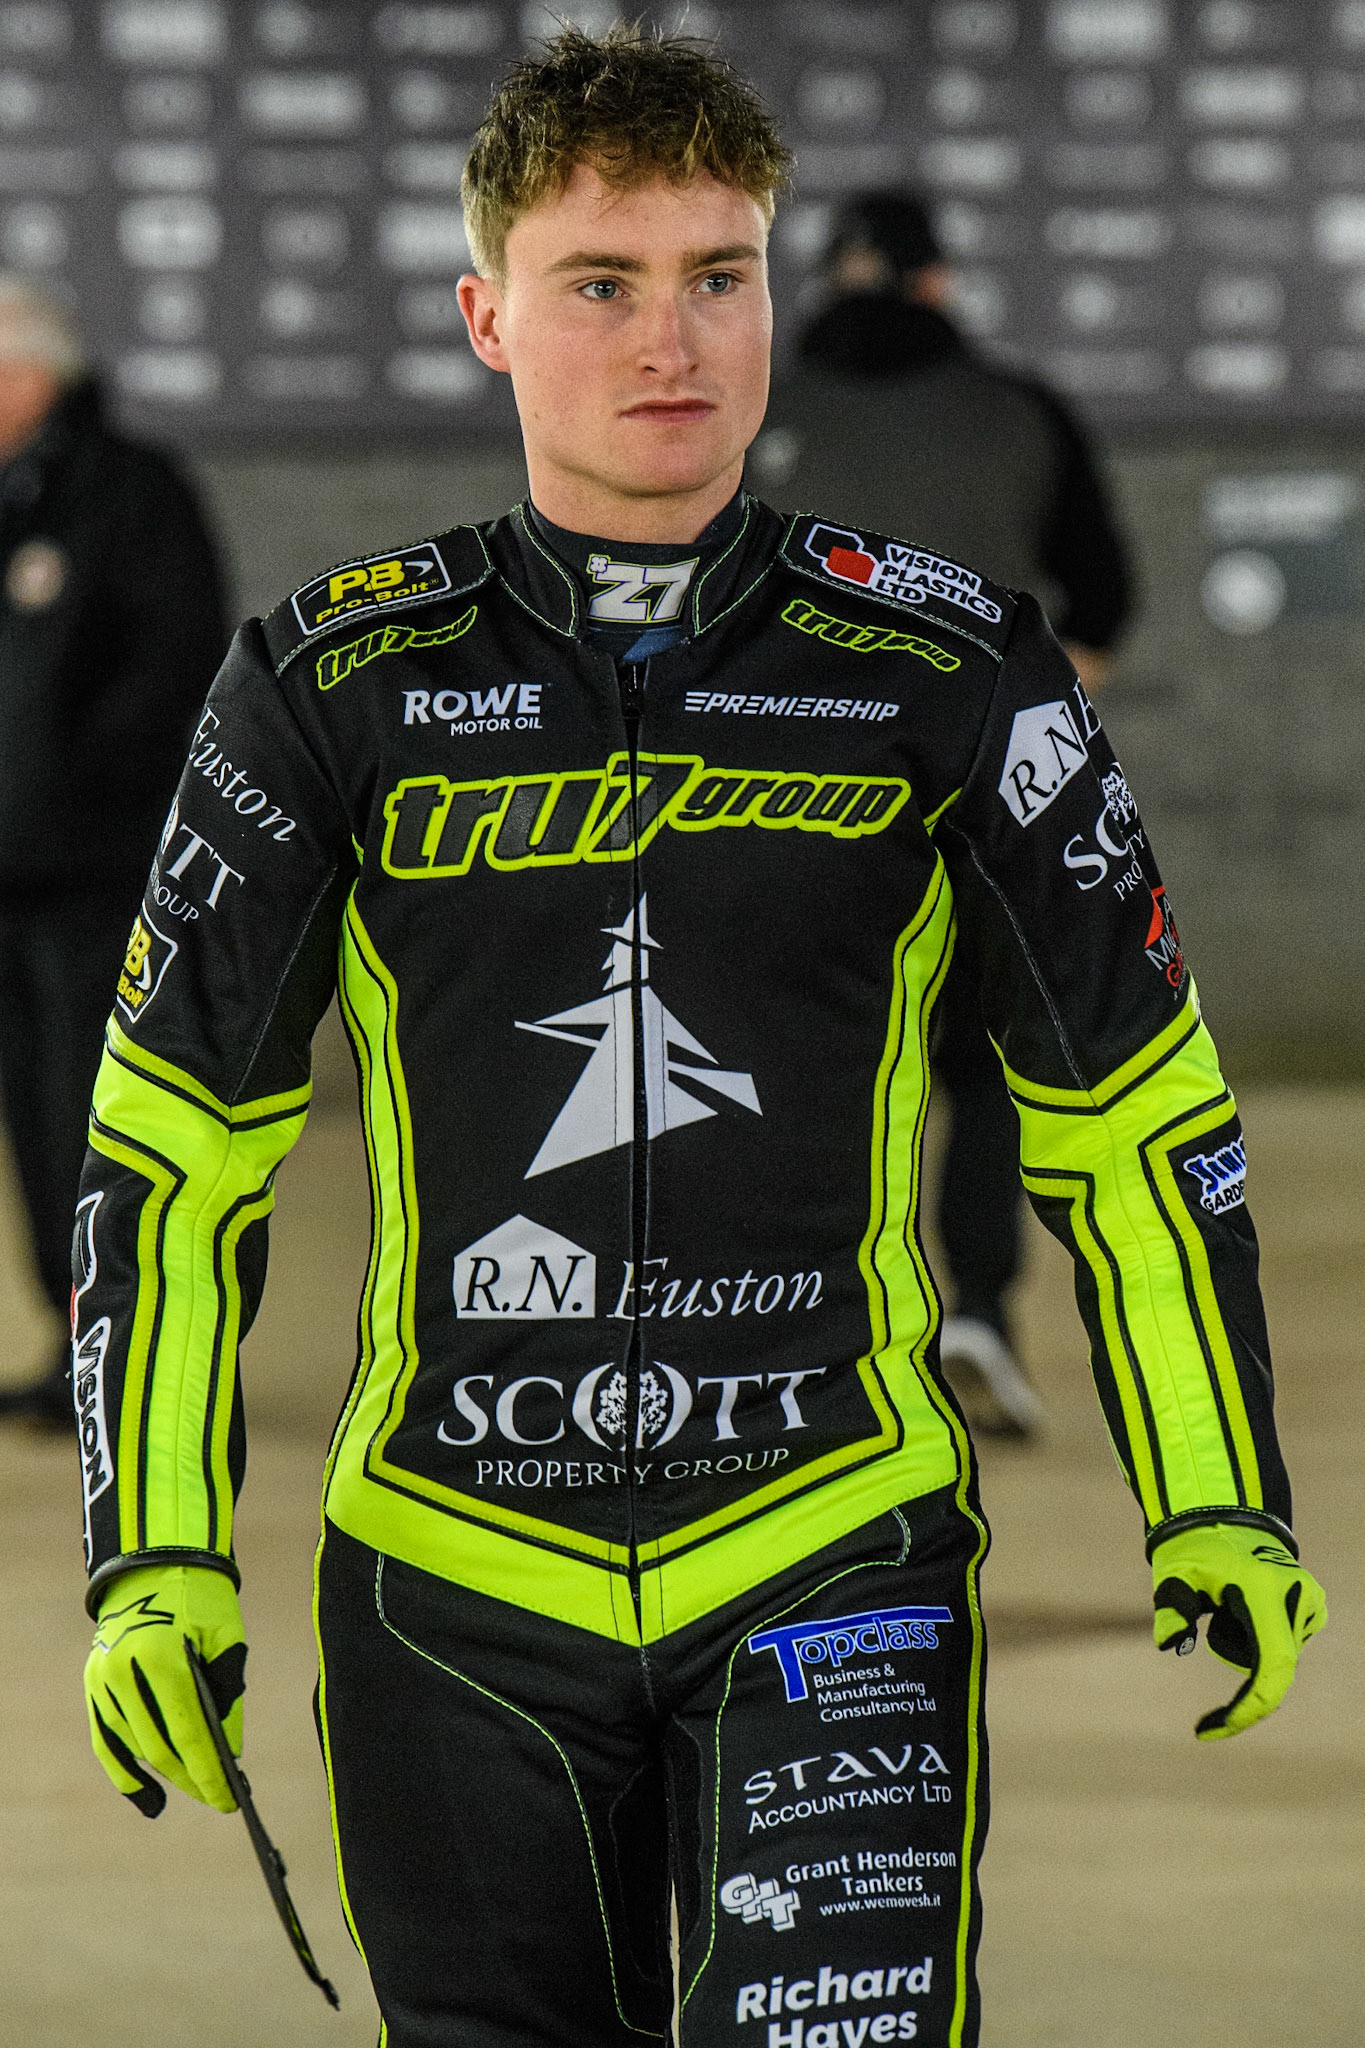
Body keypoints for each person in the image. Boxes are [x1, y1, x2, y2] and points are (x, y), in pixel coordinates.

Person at [77, 29, 1324, 2048]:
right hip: (448, 1577)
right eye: (601, 283)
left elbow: (1129, 1108)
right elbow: (171, 1143)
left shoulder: (953, 660)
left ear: (771, 292)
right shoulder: (327, 680)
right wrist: (148, 1554)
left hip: (831, 1546)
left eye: (716, 275)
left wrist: (1219, 1489)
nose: (672, 338)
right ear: (486, 315)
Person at [757, 193, 1135, 1438]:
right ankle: (975, 1309)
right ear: (936, 285)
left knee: (791, 1069)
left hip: (772, 796)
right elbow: (1107, 594)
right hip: (979, 787)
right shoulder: (1018, 411)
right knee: (981, 1062)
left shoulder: (755, 401)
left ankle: (804, 1344)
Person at [0, 278, 225, 1428]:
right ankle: (74, 1343)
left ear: (29, 375)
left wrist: (70, 787)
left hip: (102, 879)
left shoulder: (130, 493)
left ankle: (140, 1356)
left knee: (103, 1121)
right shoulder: (9, 498)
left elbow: (179, 668)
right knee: (33, 1126)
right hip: (10, 883)